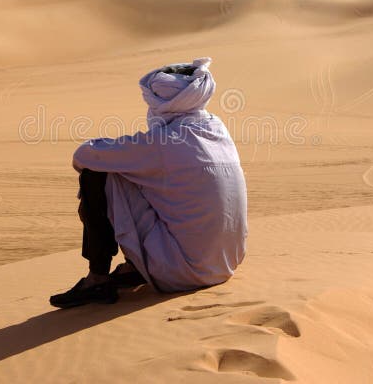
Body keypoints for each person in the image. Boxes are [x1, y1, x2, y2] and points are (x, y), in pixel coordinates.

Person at [49, 57, 248, 308]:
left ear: (162, 102)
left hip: (184, 271)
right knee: (146, 180)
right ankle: (134, 267)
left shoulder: (163, 143)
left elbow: (84, 156)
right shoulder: (217, 129)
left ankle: (97, 279)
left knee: (96, 174)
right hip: (224, 264)